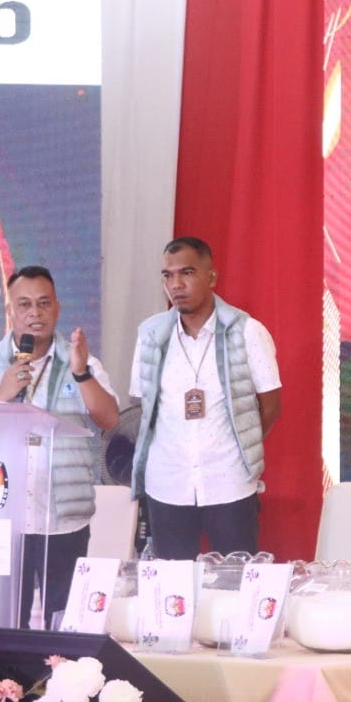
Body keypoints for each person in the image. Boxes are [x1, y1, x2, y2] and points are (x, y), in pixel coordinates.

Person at [0, 265, 119, 627]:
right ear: (10, 311)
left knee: (64, 625)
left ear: (57, 308)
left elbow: (110, 420)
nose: (35, 313)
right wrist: (0, 395)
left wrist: (81, 374)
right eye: (24, 304)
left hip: (63, 521)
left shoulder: (82, 362)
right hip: (0, 521)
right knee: (3, 627)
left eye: (44, 303)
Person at [129, 237, 281, 560]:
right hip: (167, 483)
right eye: (168, 275)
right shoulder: (150, 335)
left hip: (229, 481)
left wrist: (236, 447)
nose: (176, 284)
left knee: (237, 579)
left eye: (187, 273)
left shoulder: (247, 331)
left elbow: (270, 405)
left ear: (211, 277)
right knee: (172, 584)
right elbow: (145, 406)